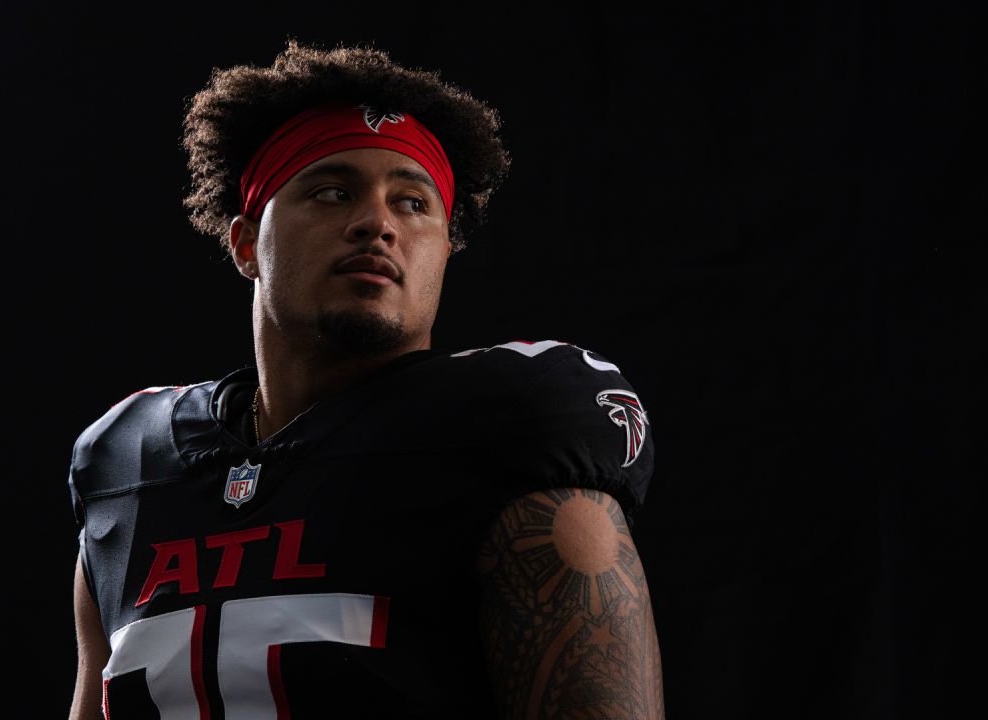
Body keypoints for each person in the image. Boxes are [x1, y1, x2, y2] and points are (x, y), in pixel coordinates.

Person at [67, 41, 664, 719]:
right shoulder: (130, 462)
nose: (377, 223)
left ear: (445, 252)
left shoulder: (503, 427)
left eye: (413, 203)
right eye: (332, 191)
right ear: (243, 243)